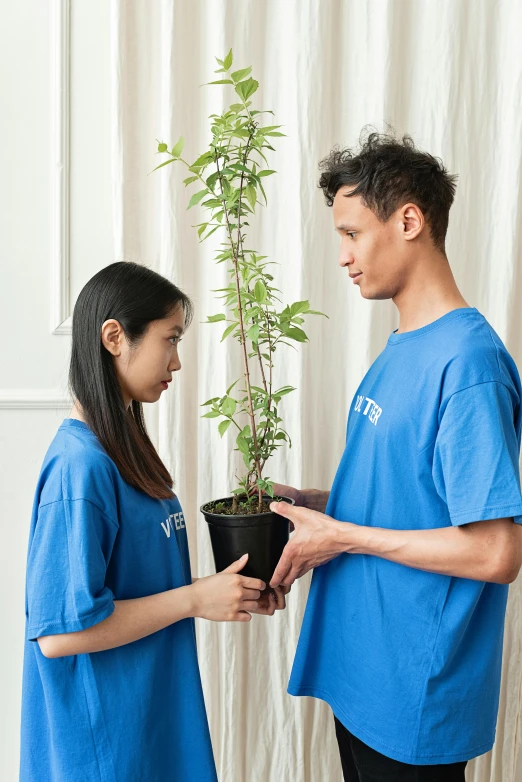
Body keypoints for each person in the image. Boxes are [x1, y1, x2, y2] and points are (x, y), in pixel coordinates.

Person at [270, 133, 522, 781]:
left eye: (352, 233)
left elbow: (496, 552)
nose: (343, 257)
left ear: (409, 220)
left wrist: (342, 536)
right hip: (363, 667)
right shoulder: (404, 343)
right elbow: (415, 492)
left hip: (413, 691)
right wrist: (319, 507)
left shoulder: (469, 365)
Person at [20, 262, 285, 782]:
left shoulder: (124, 449)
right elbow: (58, 634)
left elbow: (136, 583)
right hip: (105, 747)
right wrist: (193, 599)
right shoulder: (81, 467)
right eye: (170, 339)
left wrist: (224, 592)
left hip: (150, 720)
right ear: (115, 337)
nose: (178, 362)